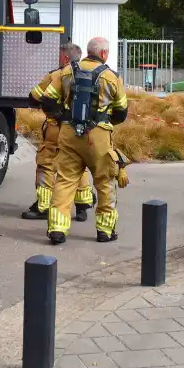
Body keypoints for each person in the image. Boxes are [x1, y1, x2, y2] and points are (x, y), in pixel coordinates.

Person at [39, 36, 130, 244]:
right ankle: (105, 231)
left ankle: (57, 229)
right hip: (98, 137)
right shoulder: (112, 77)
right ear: (104, 54)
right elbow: (121, 112)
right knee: (105, 182)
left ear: (88, 52)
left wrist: (60, 118)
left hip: (69, 133)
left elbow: (47, 99)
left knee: (64, 180)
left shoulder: (67, 71)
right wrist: (103, 124)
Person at [23, 43, 95, 222]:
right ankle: (82, 205)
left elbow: (35, 96)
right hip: (81, 129)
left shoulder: (56, 75)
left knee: (46, 164)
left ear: (65, 58)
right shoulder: (92, 75)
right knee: (77, 163)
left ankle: (43, 206)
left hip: (57, 128)